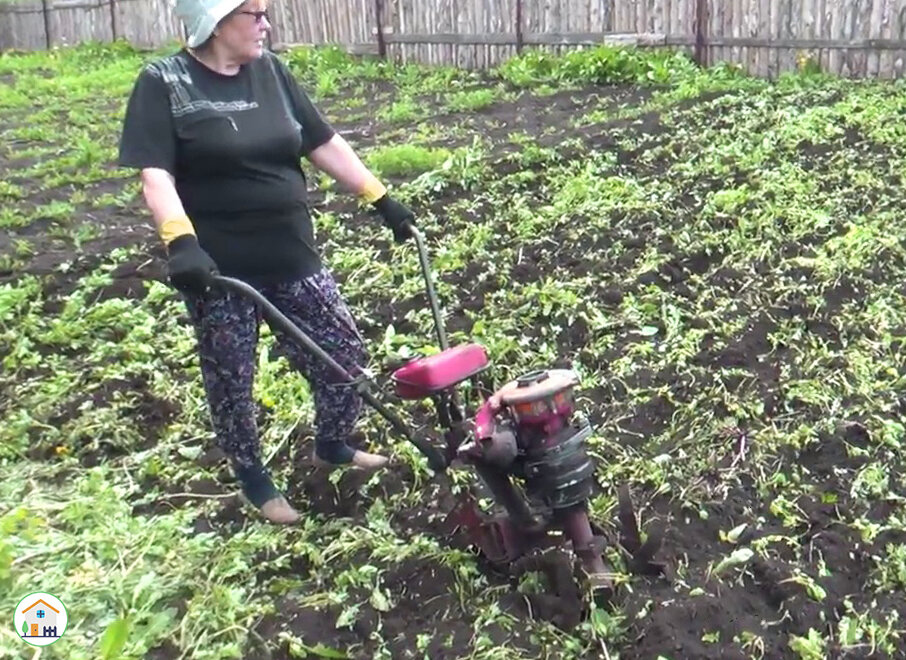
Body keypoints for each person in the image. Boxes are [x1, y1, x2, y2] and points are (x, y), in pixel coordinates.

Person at [117, 0, 416, 524]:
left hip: (290, 251)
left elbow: (322, 142)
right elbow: (155, 175)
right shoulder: (164, 81)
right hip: (219, 269)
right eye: (253, 13)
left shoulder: (272, 72)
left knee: (343, 355)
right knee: (232, 379)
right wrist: (180, 242)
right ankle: (253, 479)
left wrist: (380, 198)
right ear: (213, 20)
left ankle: (334, 444)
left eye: (265, 12)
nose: (265, 24)